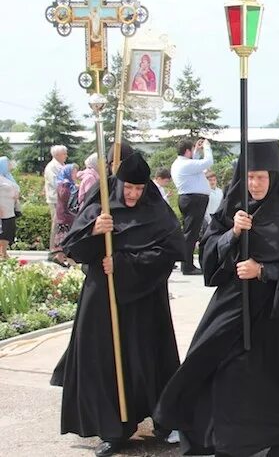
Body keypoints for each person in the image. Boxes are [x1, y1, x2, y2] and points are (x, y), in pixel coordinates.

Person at [154, 140, 279, 457]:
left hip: (274, 311)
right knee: (214, 364)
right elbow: (209, 250)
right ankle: (220, 440)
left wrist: (264, 271)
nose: (254, 184)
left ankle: (275, 439)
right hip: (232, 303)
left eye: (261, 177)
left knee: (269, 377)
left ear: (273, 176)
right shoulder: (233, 206)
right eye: (250, 177)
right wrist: (234, 234)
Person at [51, 153, 184, 457]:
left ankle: (162, 420)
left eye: (139, 188)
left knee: (146, 359)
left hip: (144, 300)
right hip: (103, 298)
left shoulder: (156, 211)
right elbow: (71, 246)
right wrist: (94, 230)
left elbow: (170, 251)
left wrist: (124, 264)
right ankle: (112, 429)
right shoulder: (101, 206)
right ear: (119, 183)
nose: (133, 194)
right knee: (103, 360)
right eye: (128, 188)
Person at [171, 138, 213, 275]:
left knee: (191, 233)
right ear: (187, 151)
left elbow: (194, 160)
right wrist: (207, 147)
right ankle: (187, 266)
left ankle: (187, 264)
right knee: (191, 234)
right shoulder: (185, 165)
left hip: (190, 199)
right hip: (193, 200)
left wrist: (196, 150)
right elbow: (208, 162)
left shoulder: (181, 163)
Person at [53, 164, 79, 267]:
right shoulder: (64, 184)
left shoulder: (68, 184)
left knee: (64, 238)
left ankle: (59, 258)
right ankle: (68, 260)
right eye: (73, 172)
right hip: (65, 216)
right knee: (66, 238)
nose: (75, 174)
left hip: (66, 216)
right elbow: (65, 198)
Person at [44, 145, 68, 259]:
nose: (66, 156)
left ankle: (60, 248)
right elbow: (56, 183)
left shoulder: (61, 165)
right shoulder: (51, 167)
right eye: (64, 153)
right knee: (56, 223)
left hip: (62, 198)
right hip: (55, 199)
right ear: (57, 155)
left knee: (61, 224)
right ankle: (53, 250)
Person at [0, 157, 20, 258]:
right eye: (7, 164)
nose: (10, 165)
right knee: (3, 231)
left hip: (10, 209)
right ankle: (3, 253)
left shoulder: (8, 177)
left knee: (8, 230)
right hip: (3, 209)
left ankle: (4, 251)